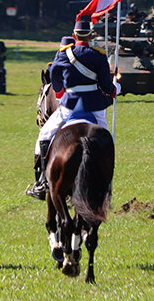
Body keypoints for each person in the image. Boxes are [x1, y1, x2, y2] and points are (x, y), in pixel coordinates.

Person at [26, 20, 117, 200]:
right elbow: (107, 88)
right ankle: (106, 182)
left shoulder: (62, 55)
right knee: (107, 141)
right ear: (90, 36)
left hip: (69, 108)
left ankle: (42, 181)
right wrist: (115, 90)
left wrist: (63, 90)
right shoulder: (98, 56)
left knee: (44, 136)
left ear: (74, 36)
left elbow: (57, 85)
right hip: (95, 109)